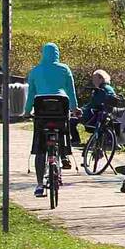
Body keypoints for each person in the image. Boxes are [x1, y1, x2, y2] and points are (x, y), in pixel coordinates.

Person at [24, 42, 78, 195]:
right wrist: (74, 108)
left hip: (41, 111)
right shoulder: (64, 69)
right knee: (64, 130)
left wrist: (27, 111)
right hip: (61, 108)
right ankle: (64, 154)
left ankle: (39, 184)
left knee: (40, 146)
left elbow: (31, 94)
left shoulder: (35, 71)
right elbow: (71, 91)